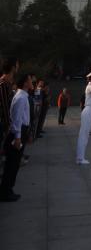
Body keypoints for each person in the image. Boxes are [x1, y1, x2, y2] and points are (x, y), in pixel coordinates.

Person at [0, 73, 32, 202]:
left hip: (21, 132)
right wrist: (18, 137)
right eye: (29, 80)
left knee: (14, 164)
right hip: (17, 133)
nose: (32, 82)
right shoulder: (21, 97)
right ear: (25, 83)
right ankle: (5, 192)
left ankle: (8, 190)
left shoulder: (22, 95)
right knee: (11, 164)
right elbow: (16, 119)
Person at [76, 70, 91, 165]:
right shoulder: (90, 86)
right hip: (88, 110)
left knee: (85, 135)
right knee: (84, 135)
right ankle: (80, 158)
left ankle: (80, 157)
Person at [0, 57, 19, 145]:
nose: (18, 67)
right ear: (12, 67)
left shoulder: (8, 83)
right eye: (17, 65)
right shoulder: (3, 83)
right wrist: (8, 124)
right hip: (2, 123)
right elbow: (5, 106)